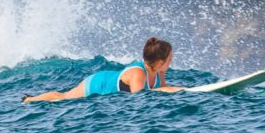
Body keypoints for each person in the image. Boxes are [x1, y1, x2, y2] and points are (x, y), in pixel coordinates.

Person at [23, 37, 185, 103]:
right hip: (97, 84)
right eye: (169, 59)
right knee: (63, 97)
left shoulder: (159, 72)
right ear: (159, 62)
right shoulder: (138, 74)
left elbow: (159, 89)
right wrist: (177, 90)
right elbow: (140, 99)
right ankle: (30, 99)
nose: (172, 61)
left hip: (106, 81)